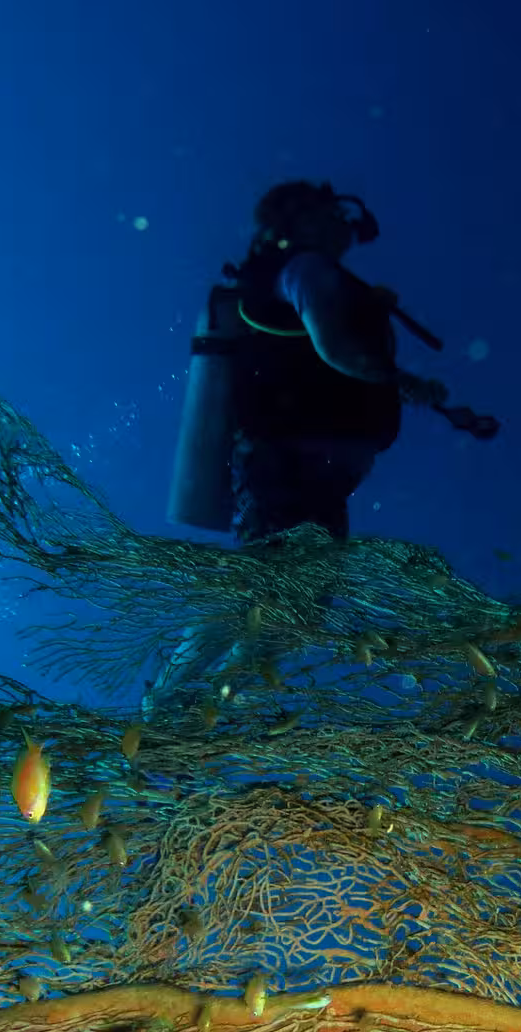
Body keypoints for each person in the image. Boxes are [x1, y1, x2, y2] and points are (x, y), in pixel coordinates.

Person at [150, 182, 497, 714]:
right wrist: (403, 380)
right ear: (303, 223)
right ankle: (169, 705)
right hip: (286, 462)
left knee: (291, 601)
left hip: (308, 469)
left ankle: (195, 708)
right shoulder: (305, 270)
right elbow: (333, 347)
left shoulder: (310, 274)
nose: (342, 222)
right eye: (331, 212)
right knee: (268, 588)